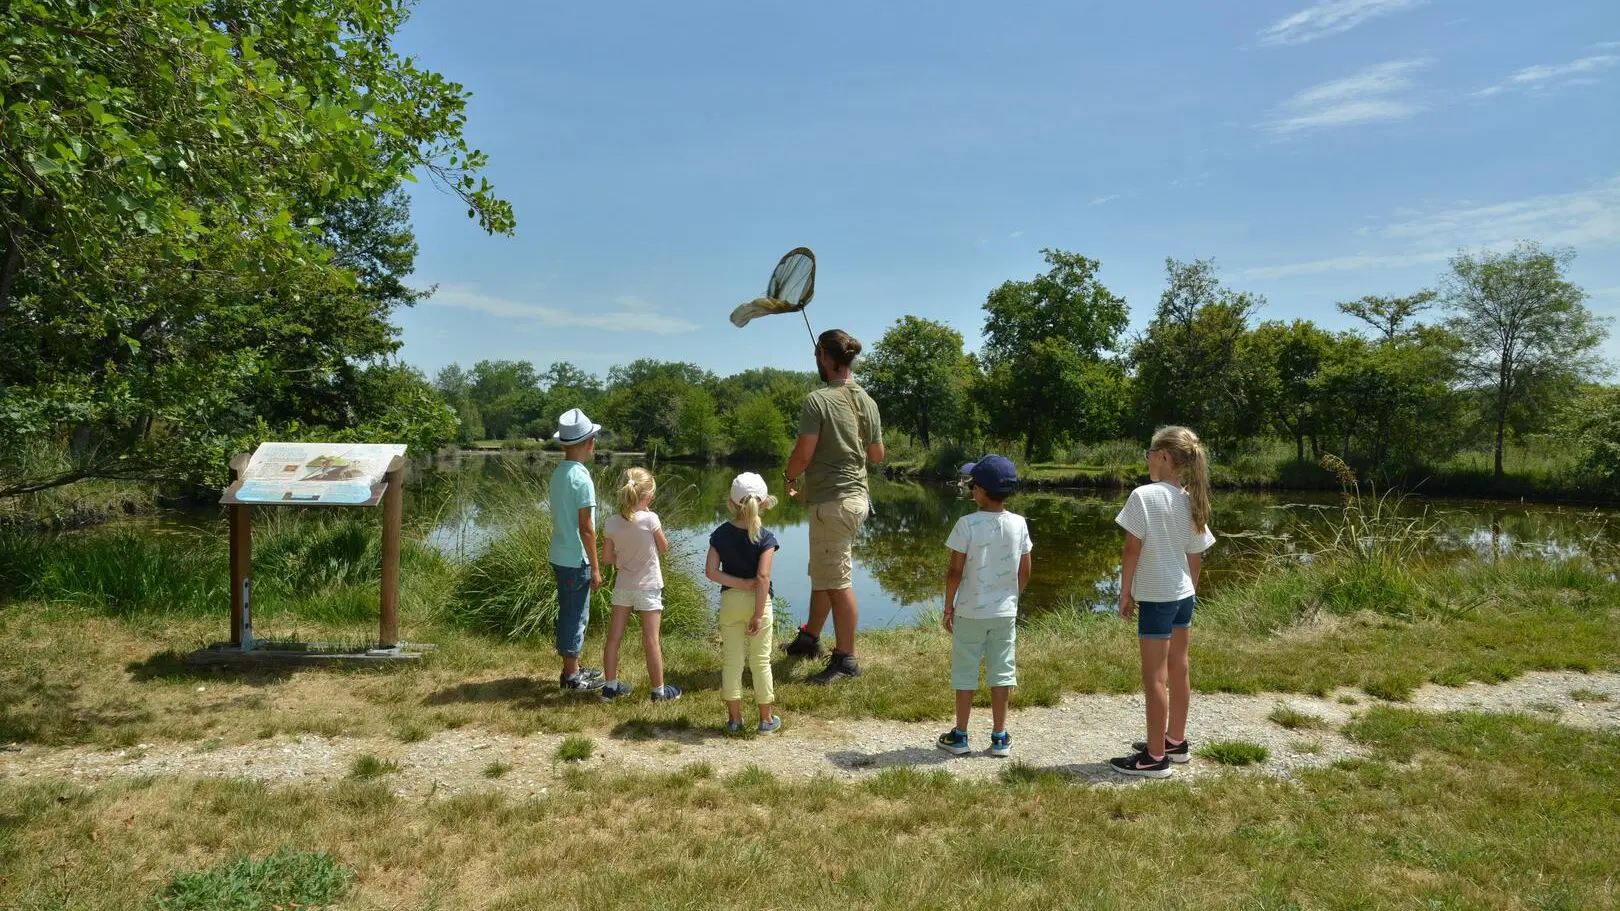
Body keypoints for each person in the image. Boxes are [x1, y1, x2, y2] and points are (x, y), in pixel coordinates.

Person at [1109, 426, 1216, 778]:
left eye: (1150, 453)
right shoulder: (1190, 499)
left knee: (1154, 676)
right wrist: (1190, 591)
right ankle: (1175, 741)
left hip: (1156, 597)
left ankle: (1154, 758)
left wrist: (1125, 593)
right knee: (1179, 668)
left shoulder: (1144, 496)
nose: (1148, 459)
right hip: (1183, 594)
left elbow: (1131, 548)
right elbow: (1195, 557)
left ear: (1164, 457)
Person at [782, 328, 884, 685]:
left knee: (837, 581)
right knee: (824, 573)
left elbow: (803, 454)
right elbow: (876, 455)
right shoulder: (867, 401)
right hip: (856, 501)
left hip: (833, 502)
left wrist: (789, 476)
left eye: (818, 356)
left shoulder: (818, 400)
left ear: (824, 357)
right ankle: (810, 639)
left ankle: (845, 660)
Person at [937, 455, 1032, 759]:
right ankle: (1000, 737)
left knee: (965, 670)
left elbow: (954, 571)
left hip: (969, 611)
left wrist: (948, 606)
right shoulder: (1018, 524)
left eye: (972, 485)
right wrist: (1013, 596)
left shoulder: (966, 524)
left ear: (979, 490)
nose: (970, 489)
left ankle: (961, 735)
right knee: (1002, 671)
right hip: (1005, 612)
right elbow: (1025, 568)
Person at [705, 472, 783, 734]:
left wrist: (738, 584)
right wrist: (758, 614)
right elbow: (763, 577)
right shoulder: (766, 538)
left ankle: (735, 721)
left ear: (731, 502)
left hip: (730, 603)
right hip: (759, 604)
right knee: (760, 661)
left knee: (732, 661)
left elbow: (711, 572)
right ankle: (766, 719)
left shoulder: (720, 534)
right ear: (763, 504)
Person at [599, 467, 682, 703]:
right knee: (651, 640)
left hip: (623, 587)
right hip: (648, 587)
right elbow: (664, 547)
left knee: (614, 637)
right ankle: (658, 691)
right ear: (648, 496)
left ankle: (610, 688)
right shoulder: (651, 518)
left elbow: (607, 558)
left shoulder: (612, 522)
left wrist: (623, 559)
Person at [549, 407, 606, 692]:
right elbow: (587, 528)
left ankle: (573, 667)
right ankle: (571, 676)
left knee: (569, 610)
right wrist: (595, 567)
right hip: (576, 558)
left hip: (559, 553)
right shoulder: (582, 479)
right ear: (590, 443)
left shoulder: (559, 474)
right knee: (576, 616)